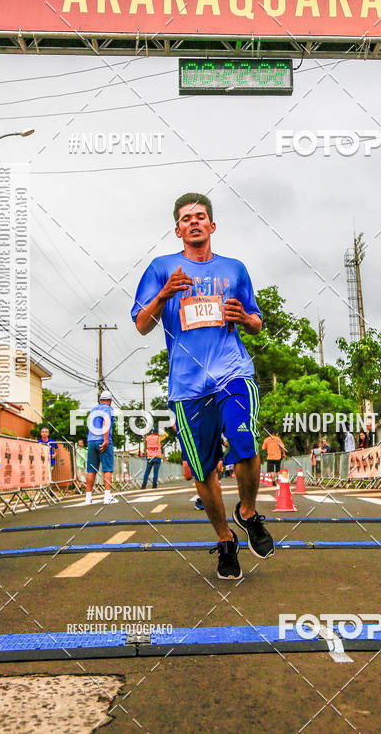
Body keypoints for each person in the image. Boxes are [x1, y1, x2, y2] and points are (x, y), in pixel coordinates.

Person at [132, 192, 274, 580]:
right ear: (177, 229)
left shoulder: (235, 269)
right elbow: (142, 324)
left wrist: (244, 317)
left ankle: (246, 512)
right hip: (188, 386)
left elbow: (258, 320)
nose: (193, 222)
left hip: (233, 371)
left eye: (200, 216)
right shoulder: (162, 268)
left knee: (245, 440)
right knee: (204, 469)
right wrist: (163, 294)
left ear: (212, 225)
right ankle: (225, 539)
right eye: (185, 218)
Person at [85, 390, 118, 505]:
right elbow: (106, 422)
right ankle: (107, 496)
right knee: (107, 468)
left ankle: (88, 497)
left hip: (91, 440)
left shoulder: (93, 410)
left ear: (100, 400)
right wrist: (105, 439)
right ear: (110, 401)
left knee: (91, 469)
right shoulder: (109, 409)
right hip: (102, 439)